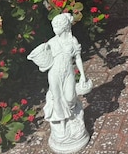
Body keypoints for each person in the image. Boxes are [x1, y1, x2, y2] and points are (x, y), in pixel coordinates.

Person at [28, 12, 91, 152]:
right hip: (54, 74)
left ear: (64, 26)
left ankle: (73, 119)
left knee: (70, 98)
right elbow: (45, 65)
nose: (55, 29)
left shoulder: (72, 40)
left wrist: (82, 75)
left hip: (68, 73)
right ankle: (61, 125)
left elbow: (78, 59)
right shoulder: (51, 42)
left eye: (57, 26)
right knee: (57, 98)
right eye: (54, 26)